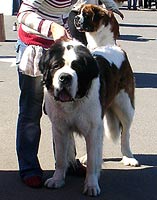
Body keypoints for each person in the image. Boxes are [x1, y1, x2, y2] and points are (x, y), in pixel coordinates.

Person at [16, 0, 123, 188]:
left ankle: (68, 164)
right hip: (33, 43)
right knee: (31, 111)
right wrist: (51, 28)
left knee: (63, 113)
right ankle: (29, 168)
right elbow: (23, 14)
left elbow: (67, 12)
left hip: (60, 45)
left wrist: (110, 6)